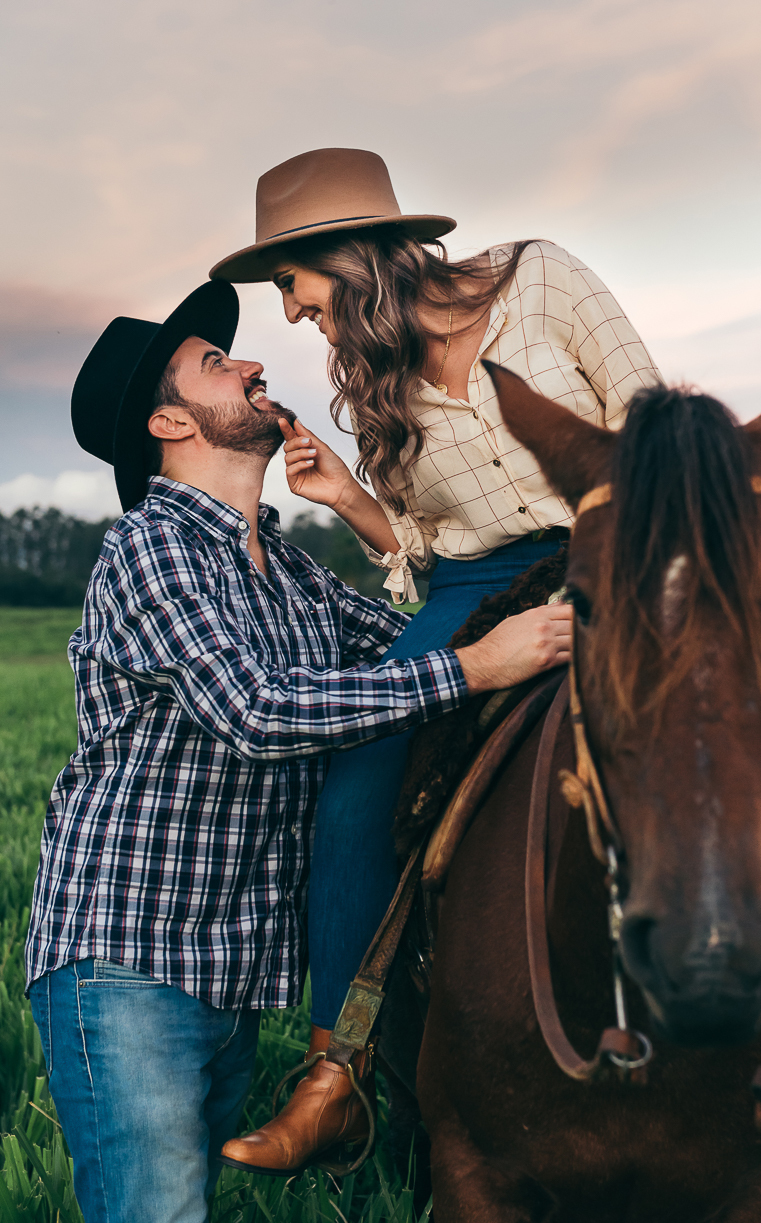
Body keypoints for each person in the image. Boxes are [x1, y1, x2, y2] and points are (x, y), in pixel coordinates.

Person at [24, 280, 570, 1223]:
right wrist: (477, 669)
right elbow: (257, 709)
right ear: (168, 418)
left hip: (226, 972)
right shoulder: (149, 548)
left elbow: (416, 643)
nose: (250, 364)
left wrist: (362, 509)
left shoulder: (287, 571)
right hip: (129, 964)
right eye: (215, 364)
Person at [210, 148, 661, 1174]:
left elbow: (653, 429)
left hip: (614, 543)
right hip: (465, 588)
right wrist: (348, 502)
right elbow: (422, 551)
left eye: (290, 283)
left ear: (343, 252)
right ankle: (342, 1073)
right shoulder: (368, 377)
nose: (289, 313)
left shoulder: (545, 279)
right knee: (356, 780)